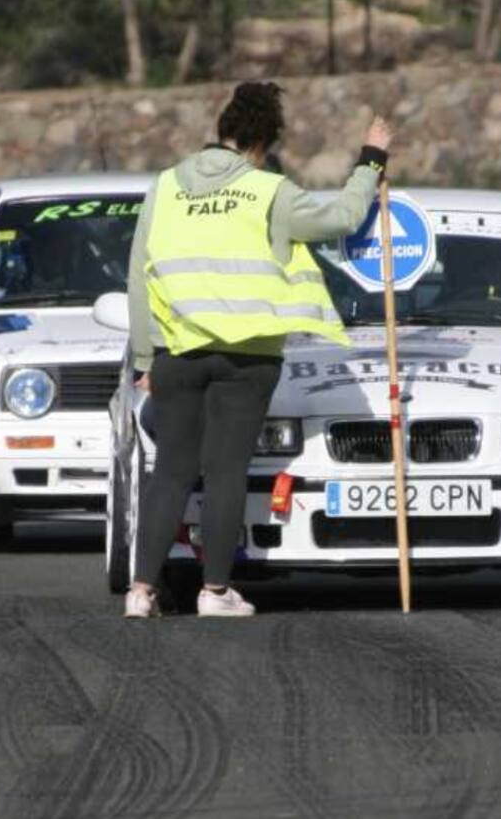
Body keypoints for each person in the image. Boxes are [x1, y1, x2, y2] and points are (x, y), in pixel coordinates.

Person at [124, 81, 392, 619]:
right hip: (247, 357)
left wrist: (146, 360)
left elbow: (138, 276)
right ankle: (215, 592)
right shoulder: (269, 190)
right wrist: (372, 161)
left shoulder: (166, 187)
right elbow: (339, 218)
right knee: (225, 470)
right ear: (263, 143)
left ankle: (140, 591)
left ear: (220, 131)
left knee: (171, 470)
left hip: (179, 351)